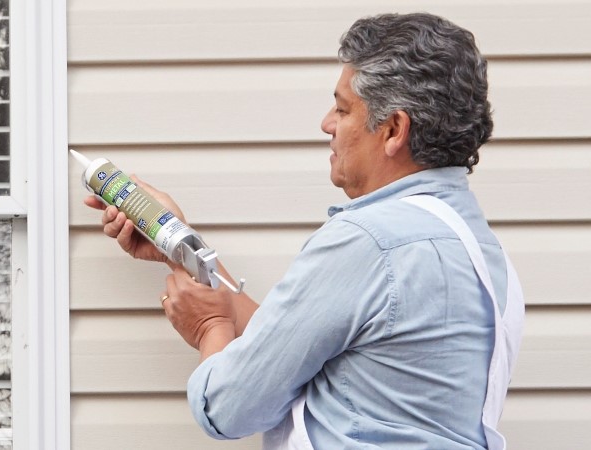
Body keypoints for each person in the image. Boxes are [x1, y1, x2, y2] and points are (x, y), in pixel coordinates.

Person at [82, 12, 524, 449]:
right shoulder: (483, 251)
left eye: (343, 108)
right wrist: (177, 244)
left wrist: (209, 327)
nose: (327, 123)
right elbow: (286, 347)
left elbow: (229, 407)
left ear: (393, 130)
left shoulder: (367, 241)